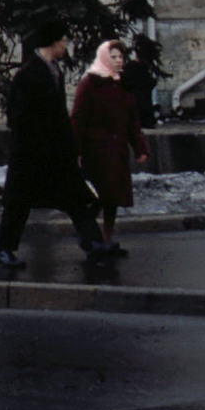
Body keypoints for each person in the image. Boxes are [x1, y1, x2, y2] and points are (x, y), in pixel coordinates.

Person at [0, 21, 112, 269]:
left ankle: (93, 243)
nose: (66, 45)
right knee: (18, 204)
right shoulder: (28, 74)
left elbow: (59, 117)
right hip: (31, 153)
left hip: (55, 152)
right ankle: (4, 250)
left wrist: (71, 148)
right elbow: (18, 118)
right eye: (64, 41)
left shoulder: (53, 70)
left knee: (76, 198)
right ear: (53, 42)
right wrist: (39, 143)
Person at [71, 40, 149, 254]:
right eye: (113, 57)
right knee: (97, 197)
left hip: (117, 151)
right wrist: (75, 150)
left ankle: (107, 239)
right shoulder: (91, 82)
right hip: (95, 151)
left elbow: (132, 120)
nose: (118, 61)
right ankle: (89, 238)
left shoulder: (122, 83)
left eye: (121, 57)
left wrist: (140, 147)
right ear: (104, 57)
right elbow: (78, 118)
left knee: (112, 198)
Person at [120, 34, 160, 130]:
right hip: (145, 106)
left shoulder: (133, 66)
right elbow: (151, 83)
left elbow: (125, 82)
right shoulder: (145, 67)